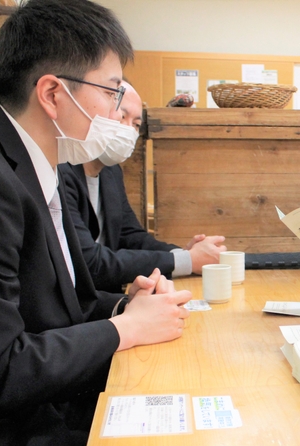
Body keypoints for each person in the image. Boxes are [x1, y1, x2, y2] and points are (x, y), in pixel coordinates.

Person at [0, 1, 192, 446]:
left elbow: (53, 305)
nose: (119, 113)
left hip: (43, 403)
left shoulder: (37, 166)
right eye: (114, 93)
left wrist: (123, 304)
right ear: (52, 94)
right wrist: (124, 328)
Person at [60, 80, 226, 292]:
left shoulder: (111, 172)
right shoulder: (61, 170)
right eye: (122, 117)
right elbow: (88, 261)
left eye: (136, 124)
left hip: (106, 298)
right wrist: (186, 260)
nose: (128, 129)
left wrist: (183, 255)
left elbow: (131, 237)